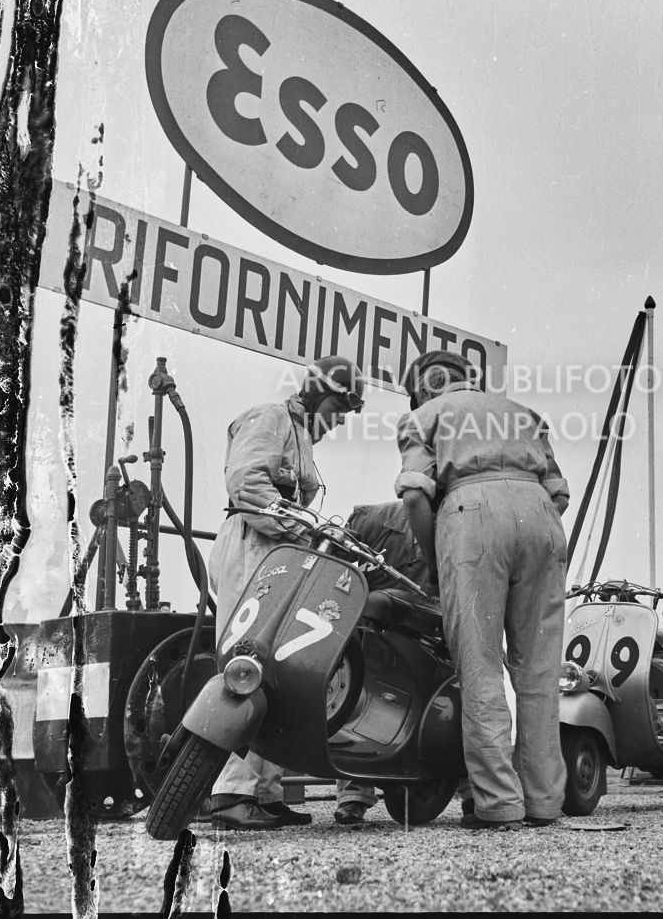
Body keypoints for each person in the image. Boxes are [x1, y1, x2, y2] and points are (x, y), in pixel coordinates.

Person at [395, 350, 569, 831]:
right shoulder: (523, 413)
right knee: (539, 672)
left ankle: (498, 803)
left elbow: (415, 496)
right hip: (540, 513)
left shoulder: (424, 415)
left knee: (480, 667)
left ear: (424, 388)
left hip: (469, 513)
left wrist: (438, 562)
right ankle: (544, 801)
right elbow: (559, 493)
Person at [207, 356, 365, 831]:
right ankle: (232, 792)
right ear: (317, 392)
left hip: (278, 551)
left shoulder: (303, 440)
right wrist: (300, 527)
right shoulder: (271, 417)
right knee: (250, 661)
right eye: (339, 407)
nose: (339, 420)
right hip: (252, 544)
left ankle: (264, 793)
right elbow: (246, 482)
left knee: (282, 668)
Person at [330, 500, 433, 825]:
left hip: (428, 636)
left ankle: (468, 786)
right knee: (354, 696)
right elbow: (334, 567)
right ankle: (353, 794)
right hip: (370, 634)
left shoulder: (459, 526)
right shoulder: (370, 520)